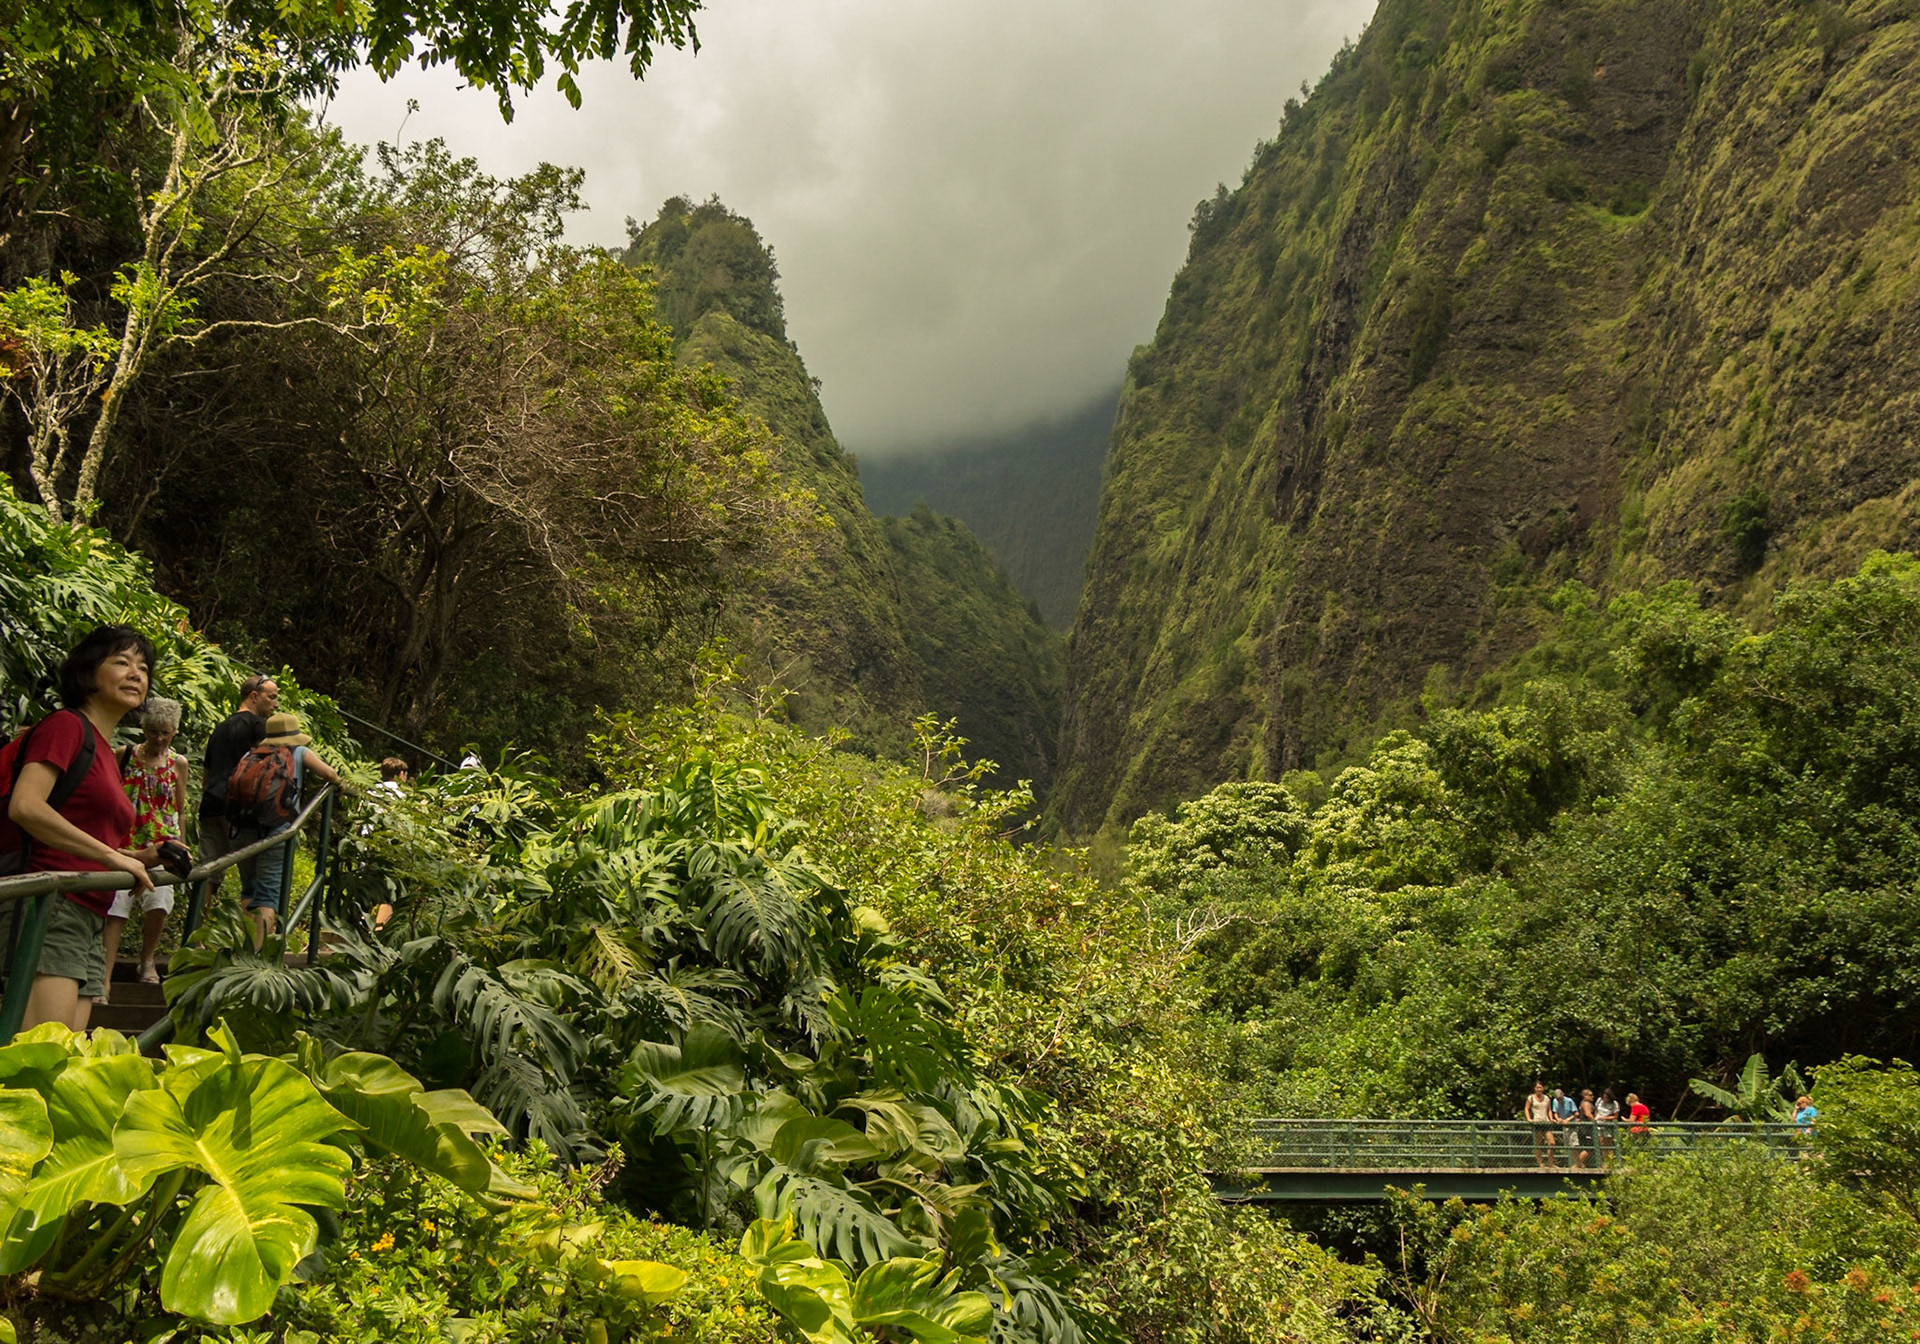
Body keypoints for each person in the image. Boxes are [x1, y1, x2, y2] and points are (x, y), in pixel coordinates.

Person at [5, 626, 164, 1031]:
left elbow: (80, 834)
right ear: (88, 671)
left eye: (143, 668)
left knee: (67, 1055)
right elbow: (26, 806)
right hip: (49, 906)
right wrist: (111, 856)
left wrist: (138, 857)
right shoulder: (67, 726)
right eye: (121, 662)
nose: (136, 674)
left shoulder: (106, 752)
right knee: (41, 1054)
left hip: (89, 916)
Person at [99, 696, 188, 998]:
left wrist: (182, 845)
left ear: (174, 731)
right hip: (125, 843)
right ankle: (104, 978)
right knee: (116, 909)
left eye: (165, 732)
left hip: (164, 845)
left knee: (158, 906)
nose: (159, 738)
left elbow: (179, 808)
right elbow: (108, 796)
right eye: (153, 732)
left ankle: (147, 960)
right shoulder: (125, 755)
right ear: (144, 729)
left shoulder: (178, 763)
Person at [232, 712, 342, 944]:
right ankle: (256, 955)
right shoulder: (299, 752)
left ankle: (244, 949)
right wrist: (339, 784)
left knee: (249, 890)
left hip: (244, 827)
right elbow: (330, 774)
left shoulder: (251, 754)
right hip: (278, 830)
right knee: (268, 894)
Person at [198, 674, 277, 902]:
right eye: (271, 697)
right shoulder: (259, 727)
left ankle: (198, 923)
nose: (276, 704)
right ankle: (251, 926)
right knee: (252, 881)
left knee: (207, 873)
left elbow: (207, 772)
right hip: (239, 811)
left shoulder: (221, 727)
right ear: (254, 696)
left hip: (211, 806)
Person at [1524, 1082, 1556, 1168]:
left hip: (1546, 1121)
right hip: (1537, 1121)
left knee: (1552, 1143)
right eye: (1537, 1087)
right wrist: (1529, 1118)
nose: (1539, 1089)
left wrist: (1551, 1118)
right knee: (1539, 1143)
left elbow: (1549, 1110)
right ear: (1534, 1088)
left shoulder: (1546, 1098)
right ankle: (1540, 1163)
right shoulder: (1531, 1098)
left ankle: (1551, 1163)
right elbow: (1526, 1108)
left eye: (1540, 1087)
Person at [1595, 1087, 1621, 1165]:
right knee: (1602, 1143)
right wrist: (1595, 1118)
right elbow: (1596, 1111)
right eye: (1604, 1097)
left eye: (1607, 1098)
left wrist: (1605, 1118)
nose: (1605, 1099)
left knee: (1608, 1144)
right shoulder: (1599, 1100)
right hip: (1598, 1124)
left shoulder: (1615, 1104)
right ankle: (1604, 1162)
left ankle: (1610, 1162)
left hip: (1607, 1125)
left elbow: (1615, 1116)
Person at [1573, 1088, 1598, 1169]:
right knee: (1588, 1148)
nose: (1592, 1096)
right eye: (1590, 1095)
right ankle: (1576, 1165)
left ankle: (1580, 1164)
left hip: (1586, 1128)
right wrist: (1595, 1122)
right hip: (1586, 1129)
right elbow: (1588, 1114)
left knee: (1588, 1148)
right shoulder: (1586, 1104)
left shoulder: (1586, 1103)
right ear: (1585, 1096)